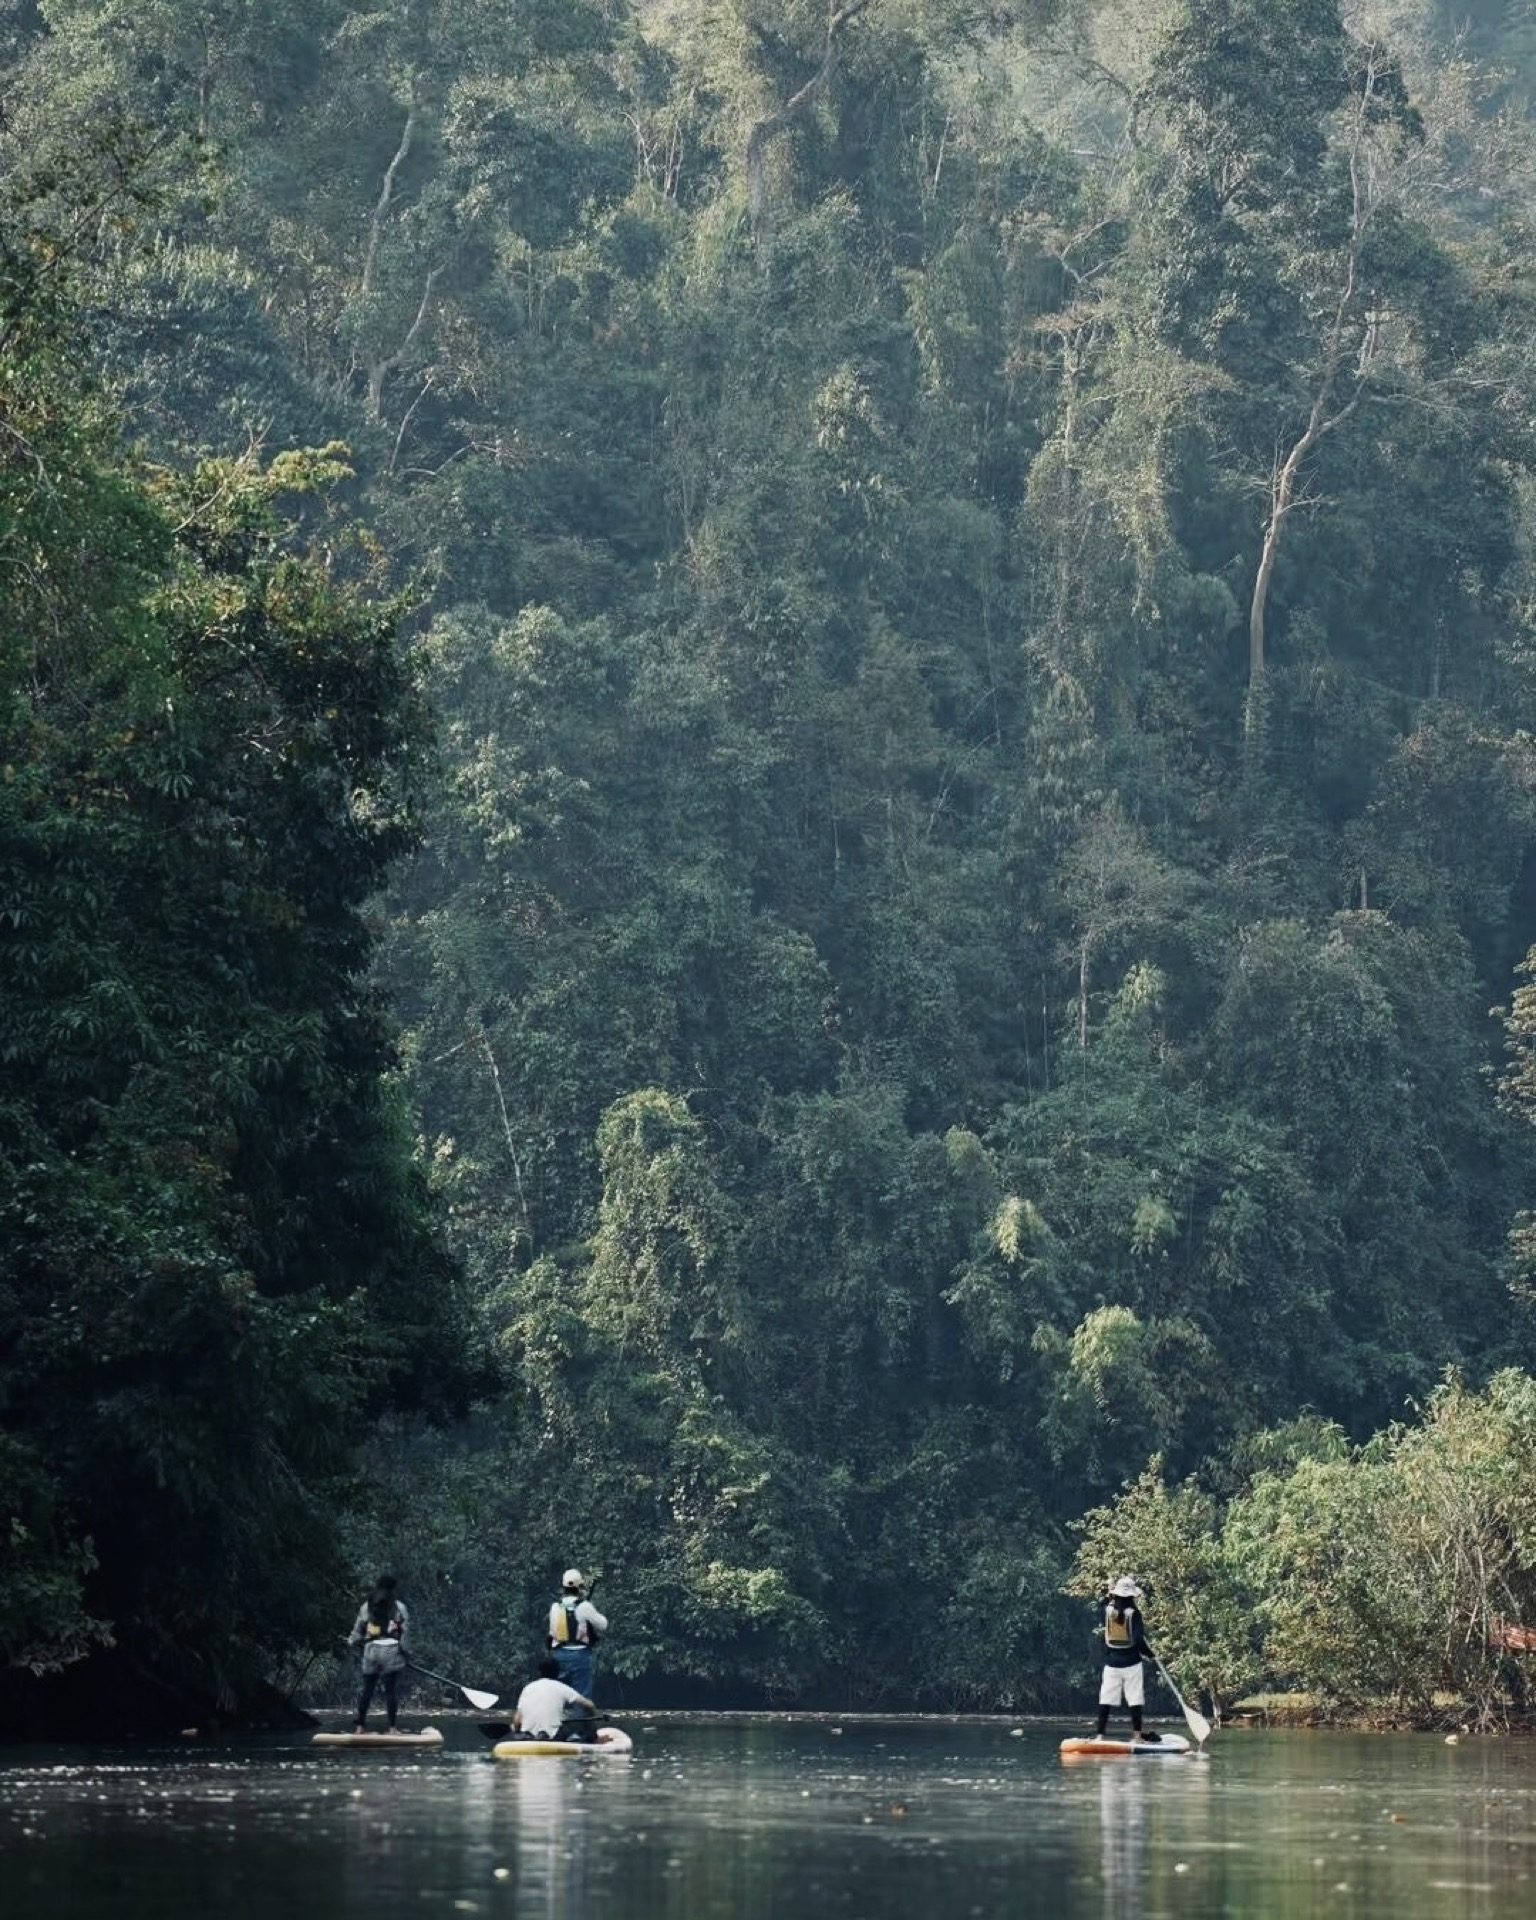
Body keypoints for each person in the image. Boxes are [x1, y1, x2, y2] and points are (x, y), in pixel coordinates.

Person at [1096, 1576, 1161, 1743]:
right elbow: (1139, 1640)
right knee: (1135, 1700)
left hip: (1111, 1663)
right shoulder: (1135, 1614)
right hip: (1132, 1663)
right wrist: (1151, 1654)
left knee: (1106, 1700)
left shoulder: (1107, 1610)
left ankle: (1100, 1735)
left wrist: (1109, 1592)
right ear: (1132, 1596)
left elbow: (1104, 1602)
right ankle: (1137, 1736)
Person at [348, 1574, 410, 1732]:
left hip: (371, 1650)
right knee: (390, 1691)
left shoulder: (366, 1606)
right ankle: (392, 1728)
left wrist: (352, 1641)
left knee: (367, 1690)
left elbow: (357, 1631)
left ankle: (360, 1727)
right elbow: (405, 1633)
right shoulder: (399, 1607)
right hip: (391, 1650)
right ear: (393, 1588)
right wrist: (406, 1653)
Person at [547, 1568, 607, 1700]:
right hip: (580, 1656)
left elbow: (553, 1632)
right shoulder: (585, 1606)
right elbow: (603, 1625)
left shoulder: (555, 1607)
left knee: (559, 1696)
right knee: (581, 1696)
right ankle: (580, 1719)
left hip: (559, 1656)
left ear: (563, 1588)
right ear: (580, 1587)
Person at [512, 1653, 597, 1743]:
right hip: (553, 1736)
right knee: (579, 1719)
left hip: (528, 1735)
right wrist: (591, 1724)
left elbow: (517, 1719)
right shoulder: (561, 1687)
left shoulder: (527, 1688)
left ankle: (532, 1734)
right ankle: (592, 1738)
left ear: (539, 1672)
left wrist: (516, 1730)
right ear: (558, 1673)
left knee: (514, 1727)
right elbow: (590, 1705)